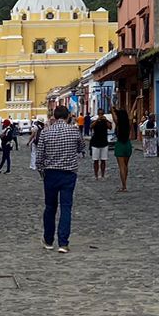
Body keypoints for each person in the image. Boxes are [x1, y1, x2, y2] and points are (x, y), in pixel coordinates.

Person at [35, 106, 84, 252]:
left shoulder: (46, 132)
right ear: (68, 116)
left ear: (54, 116)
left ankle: (48, 240)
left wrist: (42, 172)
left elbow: (39, 158)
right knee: (66, 207)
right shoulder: (74, 131)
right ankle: (63, 243)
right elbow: (81, 147)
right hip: (68, 174)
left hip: (50, 174)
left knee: (50, 207)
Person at [113, 108, 135, 192]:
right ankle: (124, 184)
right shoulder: (128, 122)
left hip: (120, 145)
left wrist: (109, 102)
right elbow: (132, 112)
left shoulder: (118, 123)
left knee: (121, 167)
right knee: (126, 166)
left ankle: (124, 186)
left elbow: (112, 112)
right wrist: (136, 101)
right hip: (127, 145)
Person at [89, 111, 111, 178]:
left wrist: (106, 120)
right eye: (100, 114)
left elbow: (110, 127)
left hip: (104, 142)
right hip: (95, 143)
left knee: (103, 160)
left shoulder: (105, 121)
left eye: (102, 114)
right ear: (98, 114)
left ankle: (103, 174)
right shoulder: (94, 120)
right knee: (95, 160)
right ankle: (96, 175)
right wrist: (97, 120)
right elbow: (91, 127)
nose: (101, 115)